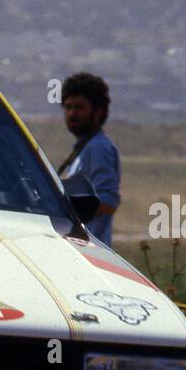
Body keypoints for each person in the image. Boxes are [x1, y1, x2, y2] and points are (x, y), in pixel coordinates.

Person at [57, 73, 120, 245]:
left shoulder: (98, 148)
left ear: (98, 111)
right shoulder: (84, 148)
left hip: (89, 248)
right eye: (68, 107)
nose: (71, 113)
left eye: (79, 107)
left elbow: (107, 202)